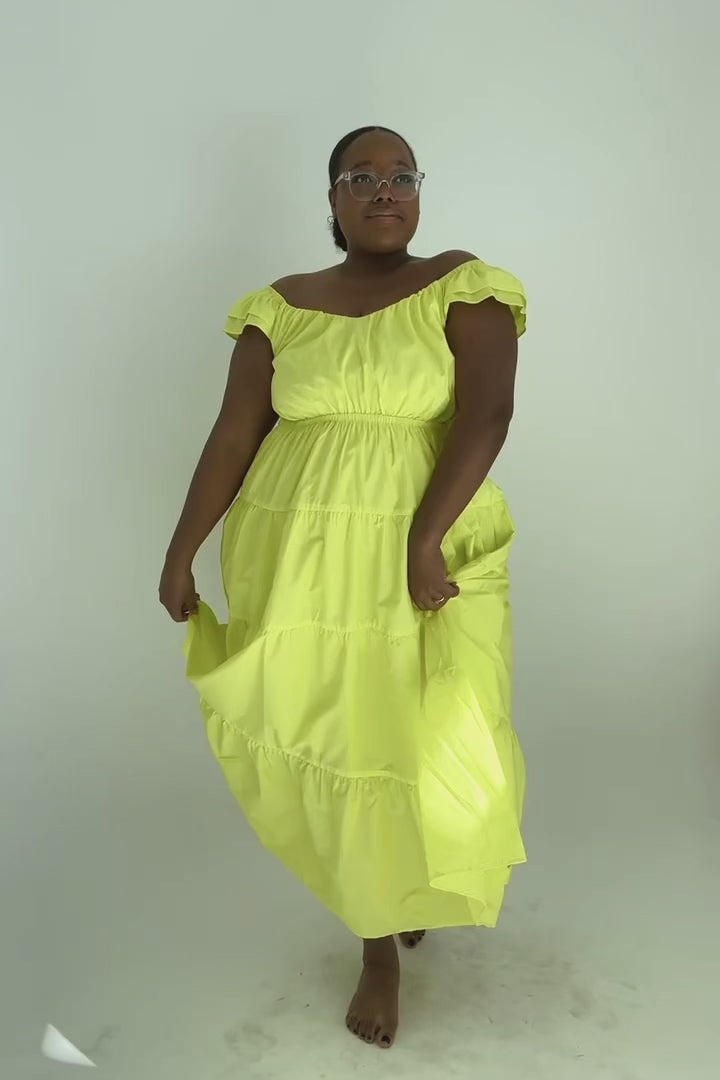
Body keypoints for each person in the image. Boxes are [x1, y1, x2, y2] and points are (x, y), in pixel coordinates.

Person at [159, 125, 527, 1050]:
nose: (385, 189)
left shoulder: (463, 284)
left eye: (402, 174)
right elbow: (234, 435)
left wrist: (425, 538)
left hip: (422, 548)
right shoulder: (279, 307)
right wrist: (181, 548)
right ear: (331, 199)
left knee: (431, 726)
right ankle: (376, 941)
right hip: (299, 560)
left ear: (420, 193)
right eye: (361, 175)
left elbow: (488, 413)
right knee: (346, 733)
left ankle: (412, 880)